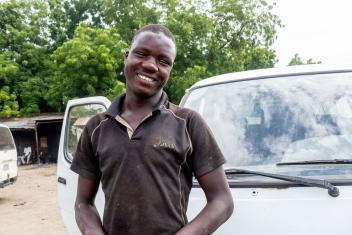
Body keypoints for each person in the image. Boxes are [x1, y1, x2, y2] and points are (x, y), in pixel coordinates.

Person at [71, 24, 233, 235]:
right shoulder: (96, 127)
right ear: (126, 57)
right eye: (142, 53)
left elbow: (222, 200)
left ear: (170, 71)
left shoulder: (188, 123)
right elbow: (83, 204)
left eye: (163, 61)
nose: (150, 65)